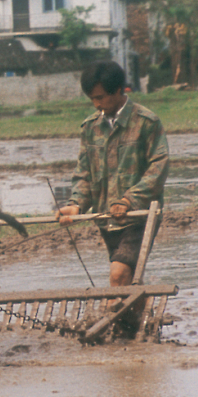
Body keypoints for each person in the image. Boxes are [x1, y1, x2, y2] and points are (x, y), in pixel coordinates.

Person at [56, 61, 169, 334]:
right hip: (106, 219)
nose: (96, 104)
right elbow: (84, 172)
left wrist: (130, 200)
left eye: (100, 97)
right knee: (125, 279)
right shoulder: (90, 127)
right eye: (92, 98)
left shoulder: (146, 122)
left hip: (139, 216)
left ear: (118, 90)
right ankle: (138, 327)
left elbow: (158, 167)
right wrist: (75, 205)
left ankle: (110, 331)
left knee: (118, 275)